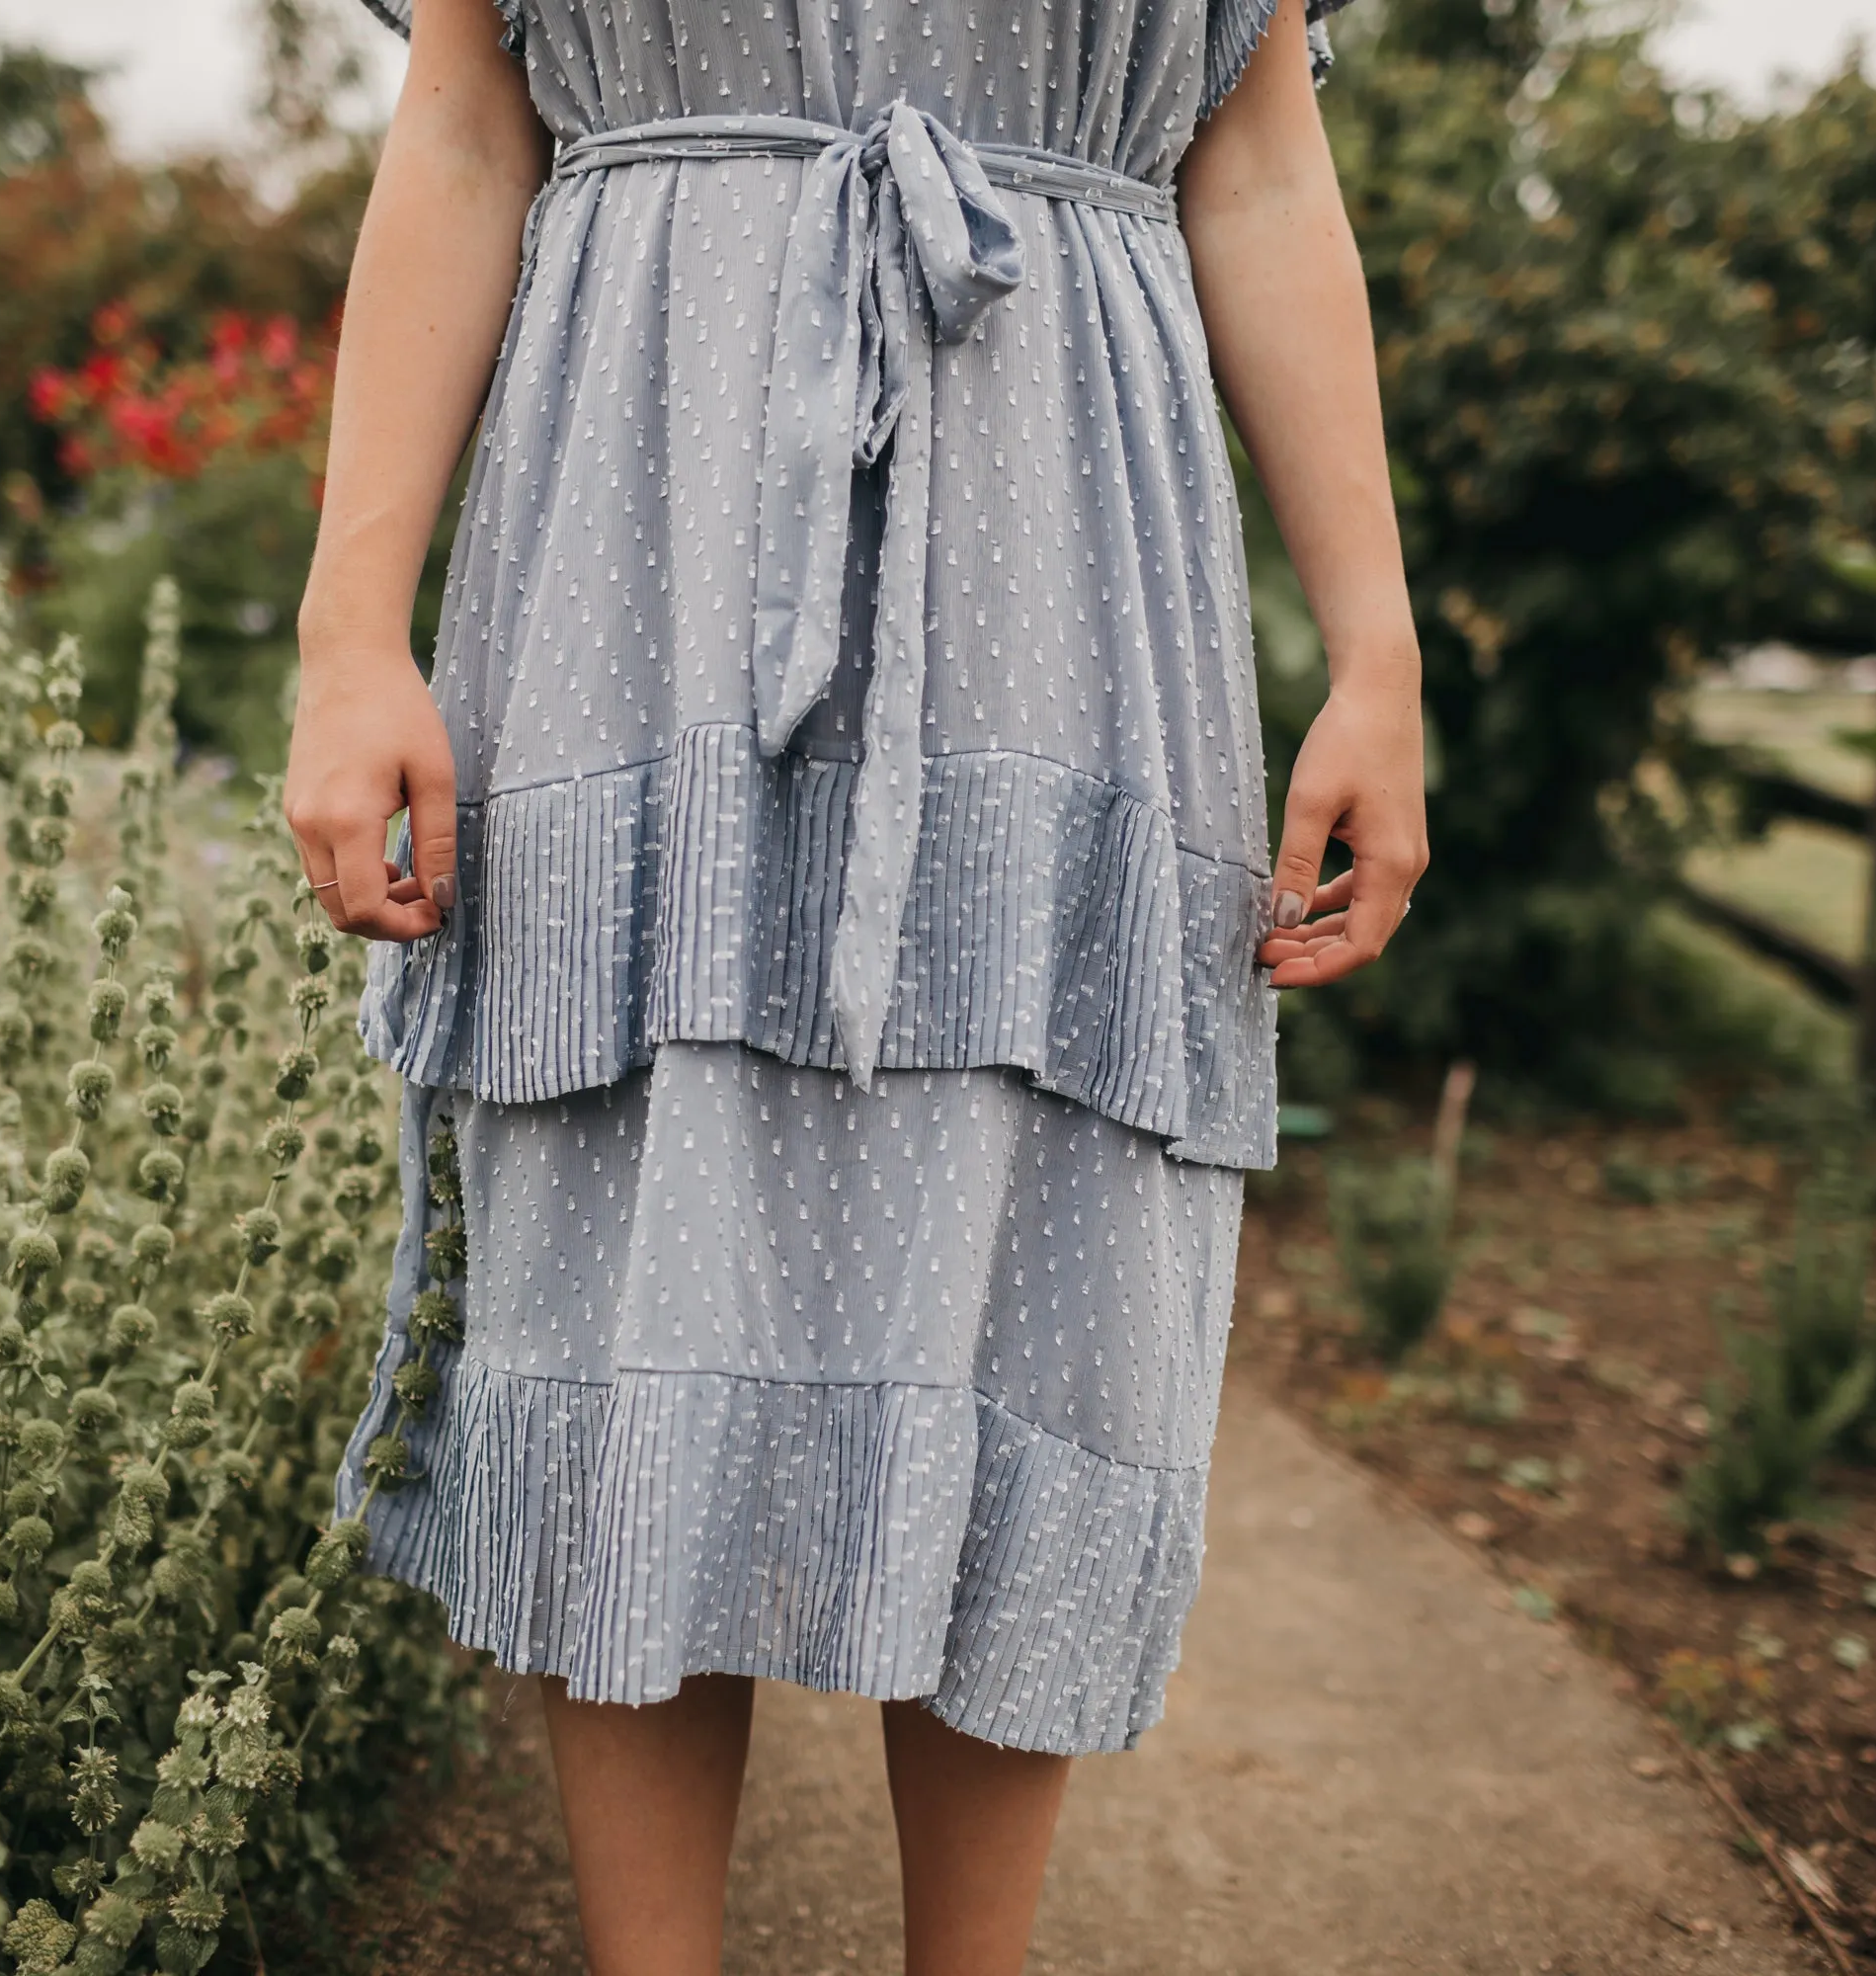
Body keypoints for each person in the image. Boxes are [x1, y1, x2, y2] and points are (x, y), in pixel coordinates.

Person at [284, 0, 1425, 1967]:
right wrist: (345, 632)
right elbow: (467, 126)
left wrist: (1380, 650)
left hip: (1064, 578)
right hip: (635, 548)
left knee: (1031, 1304)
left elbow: (1251, 163)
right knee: (636, 1268)